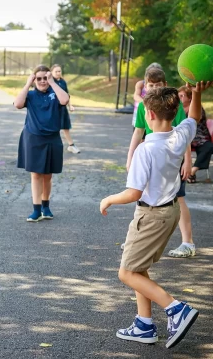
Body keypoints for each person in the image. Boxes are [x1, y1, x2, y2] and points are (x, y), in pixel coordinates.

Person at [100, 82, 210, 348]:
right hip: (169, 211)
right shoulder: (179, 135)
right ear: (173, 114)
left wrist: (108, 199)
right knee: (138, 268)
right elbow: (194, 117)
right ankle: (144, 325)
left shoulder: (146, 150)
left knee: (126, 273)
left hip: (151, 215)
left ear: (149, 115)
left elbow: (133, 192)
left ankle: (175, 309)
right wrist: (196, 94)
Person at [126, 68, 196, 259]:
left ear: (165, 86)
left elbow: (185, 132)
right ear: (145, 86)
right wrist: (129, 158)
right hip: (152, 156)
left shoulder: (172, 105)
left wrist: (187, 161)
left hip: (170, 156)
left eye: (158, 85)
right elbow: (138, 132)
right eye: (151, 85)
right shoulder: (143, 106)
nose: (154, 88)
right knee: (143, 195)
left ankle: (187, 242)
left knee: (177, 199)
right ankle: (137, 238)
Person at [14, 65, 69, 222]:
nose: (42, 81)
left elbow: (65, 100)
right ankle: (36, 209)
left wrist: (52, 82)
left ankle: (46, 206)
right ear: (34, 79)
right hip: (33, 138)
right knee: (36, 174)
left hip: (52, 137)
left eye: (45, 78)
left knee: (48, 175)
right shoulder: (30, 95)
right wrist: (27, 83)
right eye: (39, 78)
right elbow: (18, 104)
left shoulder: (55, 93)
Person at [178, 85, 213, 184]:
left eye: (182, 96)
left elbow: (194, 122)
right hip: (184, 138)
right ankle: (182, 173)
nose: (179, 98)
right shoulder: (177, 109)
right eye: (178, 96)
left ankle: (193, 171)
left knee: (208, 147)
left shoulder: (196, 108)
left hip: (199, 138)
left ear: (189, 98)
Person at [51, 64, 80, 154]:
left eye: (59, 71)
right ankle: (52, 146)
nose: (58, 73)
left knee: (65, 127)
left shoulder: (63, 82)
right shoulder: (50, 82)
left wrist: (70, 105)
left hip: (63, 109)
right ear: (51, 72)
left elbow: (67, 95)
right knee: (53, 128)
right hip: (53, 108)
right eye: (56, 71)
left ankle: (71, 146)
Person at [132, 63, 163, 129]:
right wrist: (146, 102)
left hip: (153, 114)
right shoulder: (141, 84)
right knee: (139, 130)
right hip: (142, 110)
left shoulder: (160, 84)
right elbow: (136, 95)